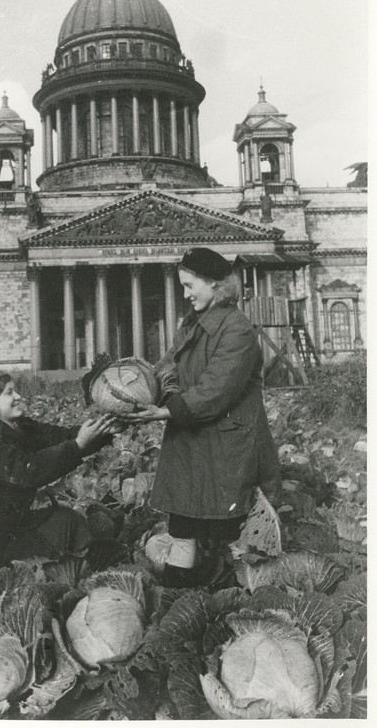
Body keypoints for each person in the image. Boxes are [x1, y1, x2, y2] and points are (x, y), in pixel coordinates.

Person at [122, 247, 281, 588]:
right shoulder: (191, 324)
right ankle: (178, 593)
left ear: (214, 283)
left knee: (224, 528)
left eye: (190, 285)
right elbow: (168, 366)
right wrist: (136, 383)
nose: (185, 293)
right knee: (182, 526)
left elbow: (216, 390)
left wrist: (164, 411)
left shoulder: (237, 329)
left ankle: (227, 596)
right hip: (192, 438)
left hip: (226, 442)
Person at [0, 370, 118, 575]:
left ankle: (91, 572)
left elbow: (60, 436)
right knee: (63, 531)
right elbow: (27, 471)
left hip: (9, 527)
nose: (18, 397)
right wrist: (78, 445)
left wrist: (106, 429)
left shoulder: (16, 427)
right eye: (9, 393)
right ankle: (80, 575)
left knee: (68, 519)